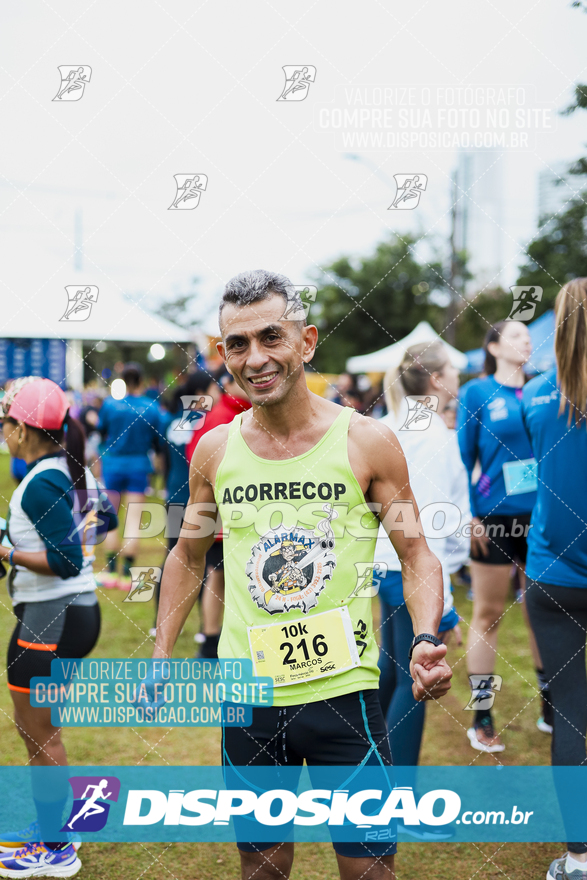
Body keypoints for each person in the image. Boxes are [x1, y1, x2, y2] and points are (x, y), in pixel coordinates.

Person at [153, 270, 452, 880]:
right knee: (262, 870)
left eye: (272, 337)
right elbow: (187, 554)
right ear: (222, 355)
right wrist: (162, 653)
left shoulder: (367, 441)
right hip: (250, 700)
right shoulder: (213, 451)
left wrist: (423, 636)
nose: (255, 358)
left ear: (307, 341)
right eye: (238, 344)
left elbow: (418, 553)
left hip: (348, 702)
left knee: (369, 872)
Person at [0, 377, 118, 878]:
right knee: (42, 733)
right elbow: (105, 518)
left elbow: (66, 561)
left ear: (24, 428)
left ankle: (56, 848)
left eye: (5, 421)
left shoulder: (45, 480)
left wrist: (8, 551)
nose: (3, 431)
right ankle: (52, 829)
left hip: (53, 616)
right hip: (71, 612)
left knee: (40, 735)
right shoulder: (65, 470)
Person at [374, 343, 469, 840]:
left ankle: (376, 793)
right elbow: (442, 516)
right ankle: (397, 807)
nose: (458, 378)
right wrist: (447, 588)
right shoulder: (434, 435)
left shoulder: (391, 426)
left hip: (389, 567)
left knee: (393, 681)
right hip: (414, 570)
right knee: (415, 683)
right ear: (435, 380)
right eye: (453, 371)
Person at [520, 279, 587, 880]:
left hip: (553, 574)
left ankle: (578, 858)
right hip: (557, 576)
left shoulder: (535, 397)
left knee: (570, 715)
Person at [456, 320, 549, 753]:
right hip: (493, 518)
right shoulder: (477, 392)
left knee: (543, 610)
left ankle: (551, 705)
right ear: (493, 346)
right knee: (489, 614)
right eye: (516, 336)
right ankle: (482, 715)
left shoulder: (544, 387)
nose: (526, 342)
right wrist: (470, 515)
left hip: (544, 517)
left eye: (529, 337)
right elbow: (463, 459)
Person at [185, 367, 252, 658]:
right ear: (228, 384)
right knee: (218, 572)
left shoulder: (252, 410)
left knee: (230, 573)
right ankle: (210, 639)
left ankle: (217, 636)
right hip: (223, 509)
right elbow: (197, 460)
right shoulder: (221, 416)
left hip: (249, 511)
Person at [151, 370, 213, 637]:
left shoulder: (171, 422)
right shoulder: (211, 426)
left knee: (172, 557)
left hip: (174, 498)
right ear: (201, 393)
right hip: (200, 498)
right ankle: (206, 627)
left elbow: (162, 461)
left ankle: (158, 621)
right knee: (206, 561)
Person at [97, 363, 159, 589]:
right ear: (141, 381)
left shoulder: (110, 405)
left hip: (113, 465)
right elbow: (157, 441)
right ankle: (125, 576)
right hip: (139, 466)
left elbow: (101, 431)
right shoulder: (150, 407)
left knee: (110, 519)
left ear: (122, 380)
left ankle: (111, 573)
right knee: (133, 521)